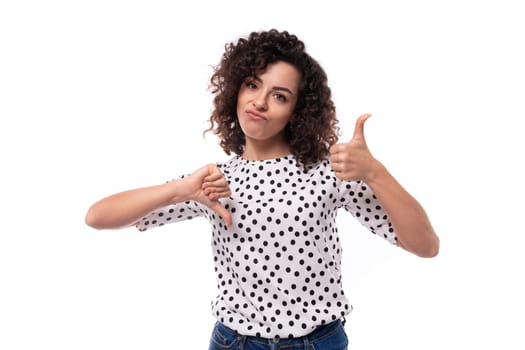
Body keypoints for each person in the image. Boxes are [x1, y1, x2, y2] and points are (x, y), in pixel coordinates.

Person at [85, 29, 439, 350]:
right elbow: (98, 217)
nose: (259, 101)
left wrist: (375, 172)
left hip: (317, 342)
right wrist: (180, 190)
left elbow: (425, 246)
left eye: (280, 96)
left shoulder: (330, 172)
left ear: (298, 111)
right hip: (233, 342)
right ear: (235, 90)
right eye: (252, 85)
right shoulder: (211, 181)